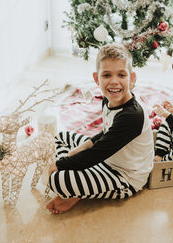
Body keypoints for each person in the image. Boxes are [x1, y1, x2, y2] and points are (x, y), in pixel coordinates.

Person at [45, 43, 154, 214]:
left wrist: (61, 164)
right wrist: (80, 148)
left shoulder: (132, 115)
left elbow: (99, 153)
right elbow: (107, 133)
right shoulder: (109, 99)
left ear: (131, 78)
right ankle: (81, 185)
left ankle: (77, 191)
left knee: (57, 180)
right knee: (62, 136)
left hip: (125, 177)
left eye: (121, 74)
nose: (114, 82)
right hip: (107, 158)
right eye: (106, 75)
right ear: (97, 79)